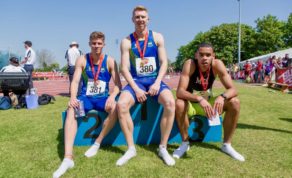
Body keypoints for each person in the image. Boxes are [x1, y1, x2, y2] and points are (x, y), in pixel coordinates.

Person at [53, 31, 122, 178]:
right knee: (71, 109)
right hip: (87, 98)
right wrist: (73, 97)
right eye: (94, 43)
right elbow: (76, 81)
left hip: (103, 98)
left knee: (115, 107)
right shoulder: (82, 59)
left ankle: (97, 143)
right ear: (89, 44)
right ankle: (68, 157)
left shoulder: (110, 61)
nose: (96, 46)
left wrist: (113, 96)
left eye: (99, 43)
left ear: (104, 44)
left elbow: (118, 85)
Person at [117, 5, 175, 166]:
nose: (140, 20)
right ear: (132, 20)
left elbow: (164, 63)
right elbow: (124, 68)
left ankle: (162, 147)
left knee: (170, 103)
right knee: (121, 105)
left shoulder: (157, 37)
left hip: (154, 80)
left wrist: (157, 83)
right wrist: (135, 89)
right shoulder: (126, 42)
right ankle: (131, 148)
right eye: (137, 17)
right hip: (136, 82)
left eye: (143, 17)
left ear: (148, 19)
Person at [173, 43, 245, 162]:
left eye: (208, 55)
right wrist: (198, 99)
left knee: (235, 102)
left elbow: (233, 89)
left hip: (209, 104)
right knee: (179, 103)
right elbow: (180, 92)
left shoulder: (217, 64)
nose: (204, 58)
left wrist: (222, 96)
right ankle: (185, 143)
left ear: (213, 56)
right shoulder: (190, 64)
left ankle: (227, 145)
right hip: (192, 104)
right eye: (201, 55)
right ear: (196, 55)